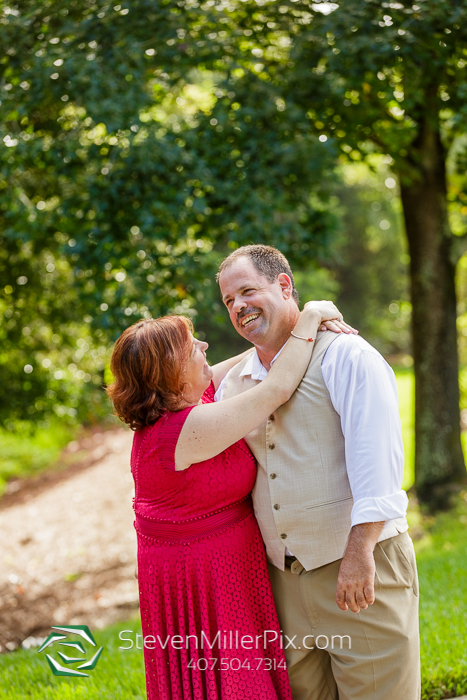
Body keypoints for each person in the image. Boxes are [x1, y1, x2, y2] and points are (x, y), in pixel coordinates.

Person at [106, 301, 351, 700]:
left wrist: (278, 333)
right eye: (192, 349)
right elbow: (276, 389)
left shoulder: (184, 399)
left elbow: (250, 358)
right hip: (202, 575)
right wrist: (309, 317)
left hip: (225, 565)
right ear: (170, 372)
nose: (205, 346)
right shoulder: (185, 429)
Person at [216, 244, 420, 700]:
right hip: (282, 586)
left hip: (360, 568)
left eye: (248, 291)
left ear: (284, 285)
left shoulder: (347, 355)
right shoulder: (235, 382)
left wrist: (359, 552)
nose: (239, 307)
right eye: (229, 301)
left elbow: (379, 463)